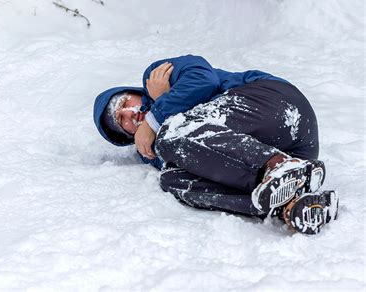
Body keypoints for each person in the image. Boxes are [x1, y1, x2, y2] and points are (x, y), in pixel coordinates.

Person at [93, 54, 338, 235]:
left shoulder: (157, 75)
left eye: (125, 102)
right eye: (121, 119)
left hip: (274, 102)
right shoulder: (155, 148)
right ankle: (288, 203)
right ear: (127, 136)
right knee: (173, 179)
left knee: (172, 135)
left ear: (132, 91)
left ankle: (276, 166)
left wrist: (157, 113)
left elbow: (203, 79)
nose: (130, 112)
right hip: (295, 153)